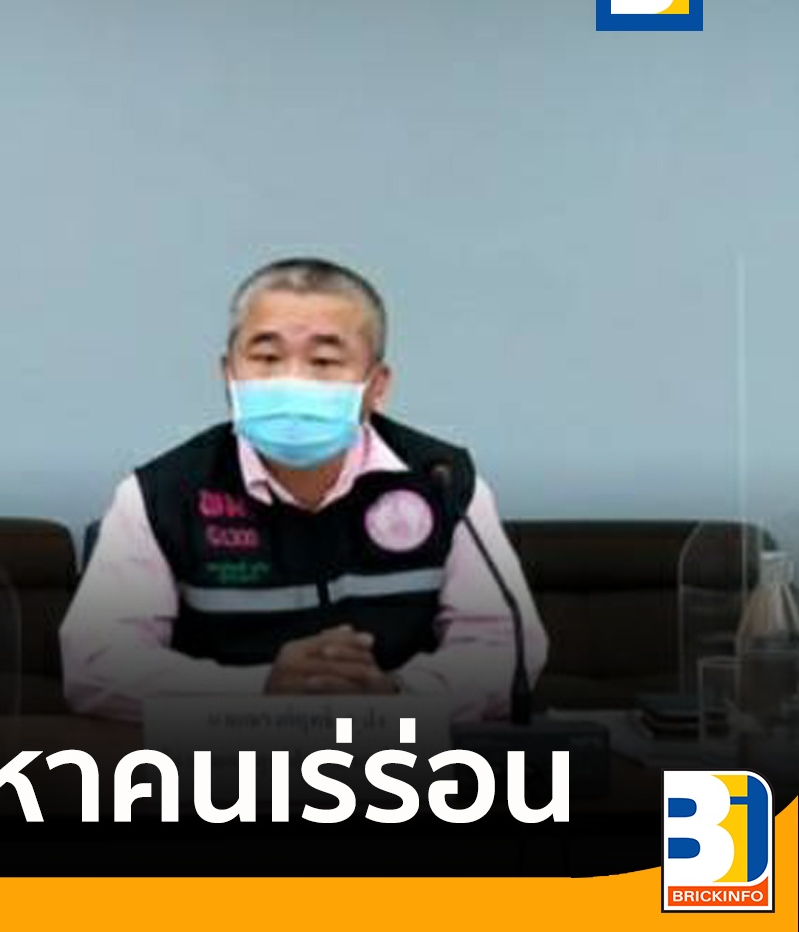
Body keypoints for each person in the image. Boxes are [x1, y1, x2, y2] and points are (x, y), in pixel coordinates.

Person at [61, 257, 547, 722]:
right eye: (267, 357)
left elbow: (506, 645)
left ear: (377, 386)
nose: (292, 378)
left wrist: (398, 696)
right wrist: (261, 690)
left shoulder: (442, 480)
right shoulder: (162, 494)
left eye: (324, 360)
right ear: (228, 375)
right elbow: (96, 661)